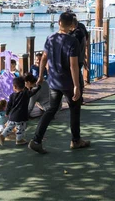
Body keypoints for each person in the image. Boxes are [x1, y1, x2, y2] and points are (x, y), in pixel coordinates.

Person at [28, 12, 90, 154]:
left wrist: (41, 76)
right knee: (75, 109)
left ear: (59, 22)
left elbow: (44, 58)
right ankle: (76, 140)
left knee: (51, 109)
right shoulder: (72, 41)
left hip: (54, 81)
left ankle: (36, 140)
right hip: (68, 82)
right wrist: (76, 86)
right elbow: (73, 65)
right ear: (72, 25)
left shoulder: (50, 38)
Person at [0, 76, 42, 146]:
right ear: (24, 86)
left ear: (14, 87)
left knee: (9, 127)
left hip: (12, 116)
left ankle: (2, 135)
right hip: (21, 116)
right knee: (21, 129)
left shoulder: (12, 95)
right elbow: (33, 92)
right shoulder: (25, 94)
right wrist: (38, 86)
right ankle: (19, 139)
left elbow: (9, 105)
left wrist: (7, 112)